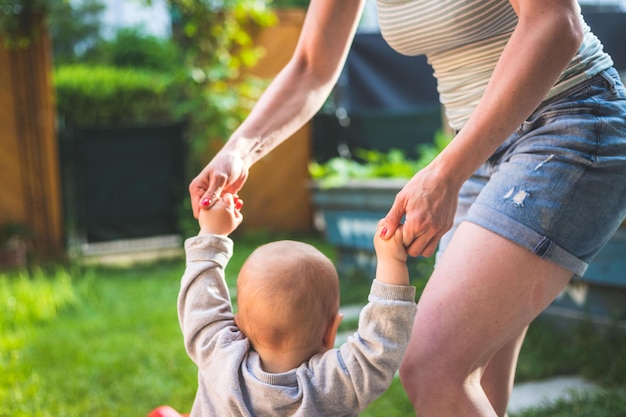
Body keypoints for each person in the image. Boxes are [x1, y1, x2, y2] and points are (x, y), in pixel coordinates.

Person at [188, 1, 626, 416]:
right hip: (481, 143)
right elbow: (311, 64)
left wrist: (447, 174)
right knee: (472, 371)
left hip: (571, 120)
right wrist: (240, 149)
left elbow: (555, 22)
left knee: (434, 366)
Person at [178, 193, 417, 416]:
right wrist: (392, 260)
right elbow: (378, 350)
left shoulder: (219, 357)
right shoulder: (334, 385)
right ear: (330, 332)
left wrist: (211, 234)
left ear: (238, 325)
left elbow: (201, 302)